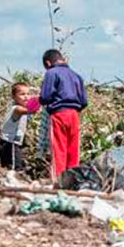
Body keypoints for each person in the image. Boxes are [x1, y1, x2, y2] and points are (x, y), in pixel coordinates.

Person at [39, 49, 87, 181]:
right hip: (74, 115)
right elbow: (84, 101)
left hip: (59, 114)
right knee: (73, 151)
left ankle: (58, 182)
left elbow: (45, 96)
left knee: (59, 150)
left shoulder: (51, 73)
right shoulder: (76, 76)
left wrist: (40, 102)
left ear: (48, 63)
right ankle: (73, 181)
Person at [0, 82, 40, 171]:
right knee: (14, 166)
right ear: (14, 97)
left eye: (28, 94)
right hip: (9, 142)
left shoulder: (21, 107)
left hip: (13, 141)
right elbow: (31, 110)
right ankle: (14, 180)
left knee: (11, 164)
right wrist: (41, 98)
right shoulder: (17, 109)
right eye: (22, 94)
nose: (26, 97)